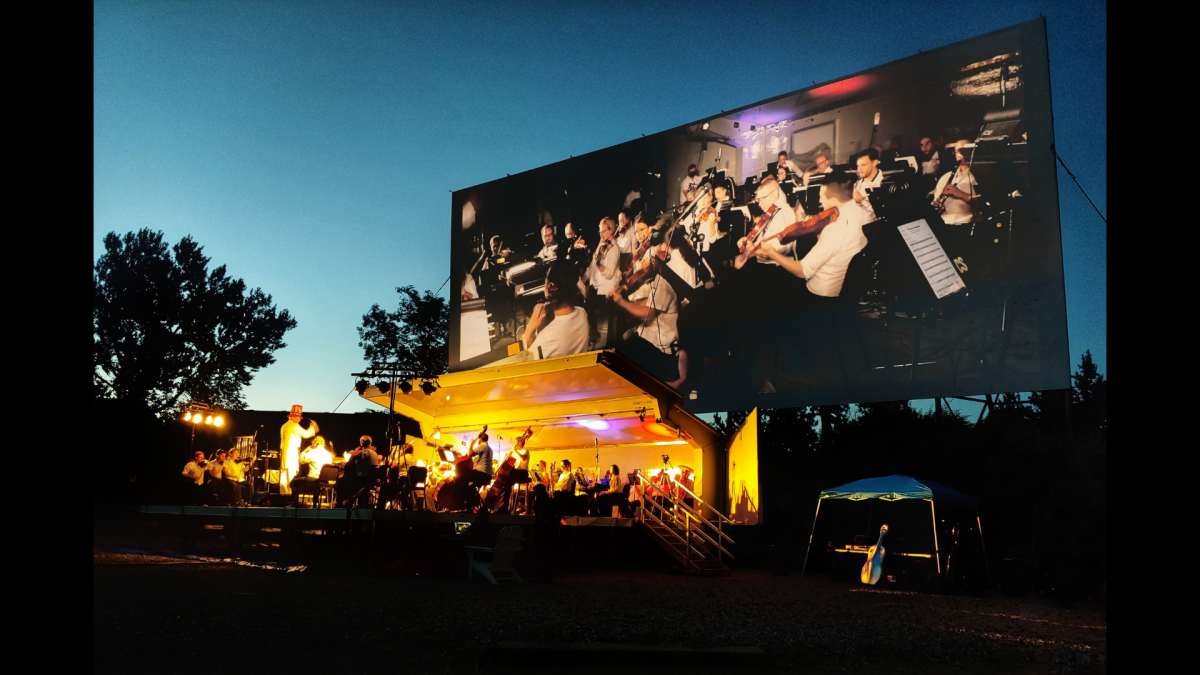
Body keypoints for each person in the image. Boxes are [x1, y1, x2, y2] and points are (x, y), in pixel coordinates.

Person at [749, 171, 869, 299]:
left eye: (822, 198)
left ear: (834, 201)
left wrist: (772, 252)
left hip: (820, 295)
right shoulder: (864, 214)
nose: (820, 203)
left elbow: (802, 271)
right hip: (849, 291)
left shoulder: (836, 228)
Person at [609, 270, 688, 389]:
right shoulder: (664, 275)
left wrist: (622, 302)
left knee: (612, 361)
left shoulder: (666, 278)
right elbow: (650, 302)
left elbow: (648, 314)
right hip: (651, 340)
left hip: (658, 348)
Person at [524, 261, 590, 358]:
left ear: (551, 289)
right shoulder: (582, 313)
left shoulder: (548, 337)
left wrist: (530, 328)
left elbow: (525, 360)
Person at [931, 140, 981, 258]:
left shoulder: (979, 174)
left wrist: (961, 194)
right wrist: (938, 205)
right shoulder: (947, 176)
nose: (958, 153)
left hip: (967, 227)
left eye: (962, 150)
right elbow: (936, 204)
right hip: (946, 227)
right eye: (956, 151)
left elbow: (988, 203)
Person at [734, 176, 798, 269]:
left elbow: (778, 252)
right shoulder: (771, 213)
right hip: (765, 265)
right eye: (758, 200)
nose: (760, 204)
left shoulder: (783, 213)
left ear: (775, 193)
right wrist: (748, 243)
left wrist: (753, 249)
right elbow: (763, 242)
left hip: (777, 269)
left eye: (762, 198)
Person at [279, 406, 318, 494]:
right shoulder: (293, 425)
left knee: (284, 480)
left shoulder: (284, 426)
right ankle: (291, 499)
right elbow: (306, 434)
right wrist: (313, 427)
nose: (300, 420)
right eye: (299, 417)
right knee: (292, 479)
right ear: (294, 417)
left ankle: (283, 497)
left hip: (285, 456)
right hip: (291, 455)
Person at [336, 435, 380, 507]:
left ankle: (341, 504)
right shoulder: (375, 454)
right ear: (370, 443)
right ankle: (350, 501)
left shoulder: (362, 452)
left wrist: (358, 448)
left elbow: (350, 460)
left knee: (340, 482)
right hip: (371, 479)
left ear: (361, 443)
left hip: (361, 479)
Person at [587, 218, 621, 297]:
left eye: (603, 231)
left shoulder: (614, 248)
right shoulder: (602, 245)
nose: (600, 234)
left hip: (606, 291)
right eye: (600, 232)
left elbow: (609, 274)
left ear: (611, 231)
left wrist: (598, 264)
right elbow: (592, 267)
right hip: (596, 288)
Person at [853, 148, 883, 222]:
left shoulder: (884, 182)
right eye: (858, 166)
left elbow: (882, 213)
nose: (859, 169)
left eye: (863, 165)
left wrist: (862, 201)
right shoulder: (858, 183)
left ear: (874, 163)